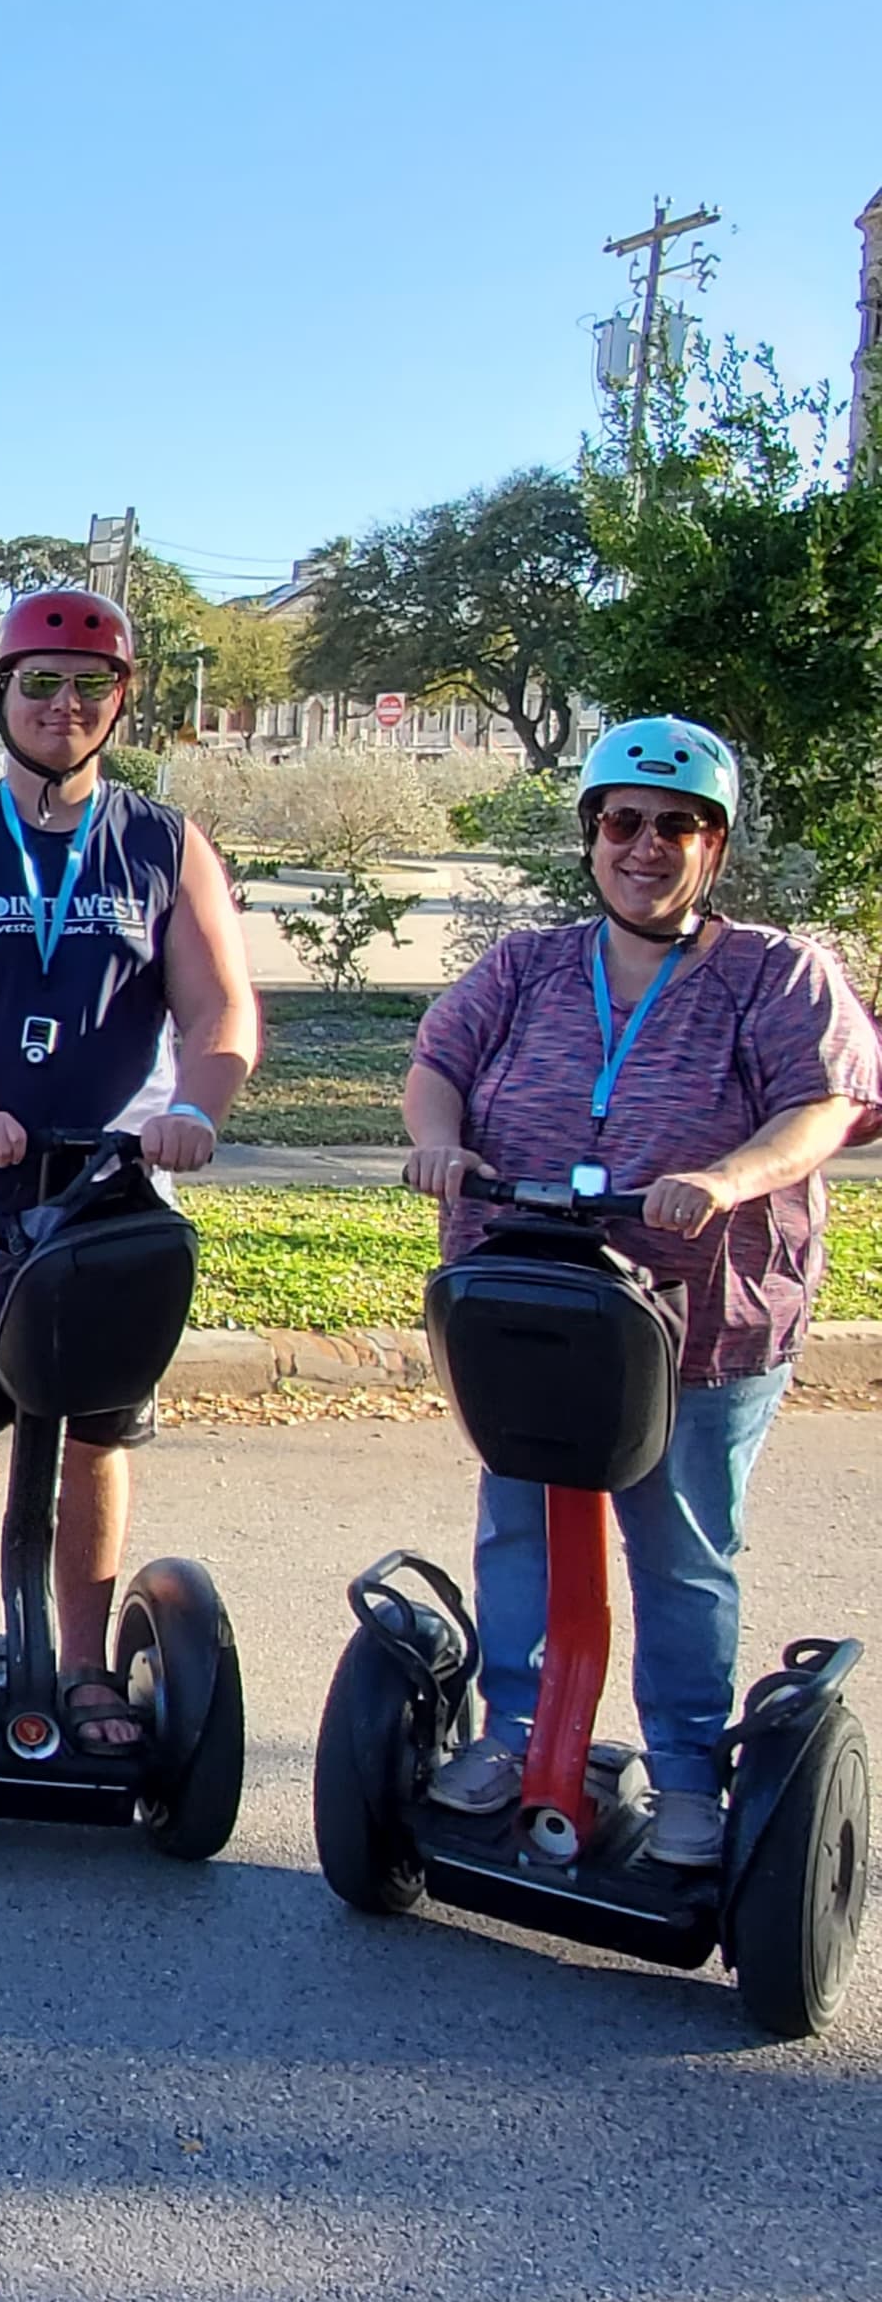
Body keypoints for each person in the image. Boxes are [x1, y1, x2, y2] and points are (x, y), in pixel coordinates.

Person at [401, 716, 879, 1867]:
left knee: (679, 1550)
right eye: (624, 822)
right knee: (518, 1527)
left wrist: (722, 1179)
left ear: (715, 846)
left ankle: (683, 1774)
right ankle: (515, 1733)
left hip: (701, 1321)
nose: (646, 847)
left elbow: (826, 1105)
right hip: (530, 1302)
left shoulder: (777, 971)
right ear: (591, 835)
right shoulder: (526, 965)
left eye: (678, 826)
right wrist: (437, 1145)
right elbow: (439, 1066)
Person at [0, 586, 259, 1756]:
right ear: (2, 697)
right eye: (40, 683)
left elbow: (220, 1009)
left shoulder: (166, 848)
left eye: (89, 685)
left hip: (110, 1196)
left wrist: (196, 1106)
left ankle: (83, 1661)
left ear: (121, 701)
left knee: (99, 1428)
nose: (63, 705)